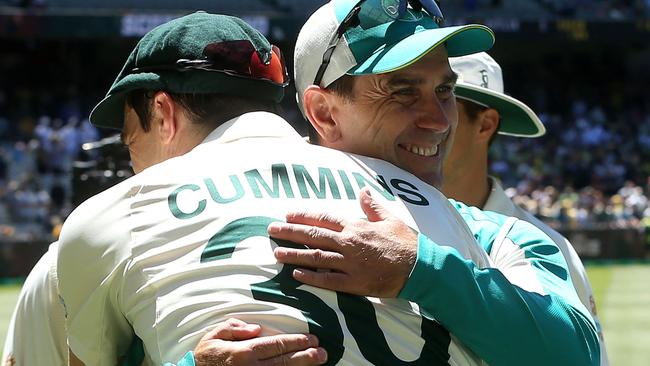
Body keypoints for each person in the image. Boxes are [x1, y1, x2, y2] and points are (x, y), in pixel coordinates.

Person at [56, 9, 503, 366]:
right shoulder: (420, 195)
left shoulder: (115, 211)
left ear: (162, 113)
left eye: (131, 139)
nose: (133, 163)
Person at [260, 0, 599, 365]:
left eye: (444, 91)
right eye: (404, 92)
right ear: (324, 113)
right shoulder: (247, 217)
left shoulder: (503, 238)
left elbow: (576, 356)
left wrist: (421, 268)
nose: (439, 121)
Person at [442, 51, 610, 366]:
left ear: (485, 125)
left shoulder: (552, 248)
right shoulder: (385, 219)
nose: (425, 119)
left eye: (444, 100)